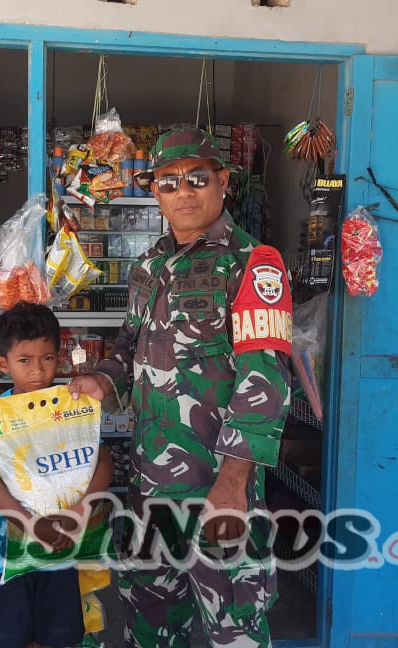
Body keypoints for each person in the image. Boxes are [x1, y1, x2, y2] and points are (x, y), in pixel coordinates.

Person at [69, 128, 293, 647]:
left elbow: (265, 377)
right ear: (155, 190)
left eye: (197, 178)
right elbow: (129, 345)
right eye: (169, 182)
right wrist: (102, 379)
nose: (183, 191)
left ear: (223, 181)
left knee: (233, 628)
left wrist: (233, 482)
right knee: (151, 625)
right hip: (150, 490)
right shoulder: (149, 266)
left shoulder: (252, 262)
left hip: (217, 488)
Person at [0, 302, 114, 648]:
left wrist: (81, 512)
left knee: (55, 637)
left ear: (59, 358)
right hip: (1, 553)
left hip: (59, 548)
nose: (37, 371)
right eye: (24, 360)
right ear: (3, 363)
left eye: (46, 358)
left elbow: (103, 461)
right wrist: (30, 525)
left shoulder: (71, 406)